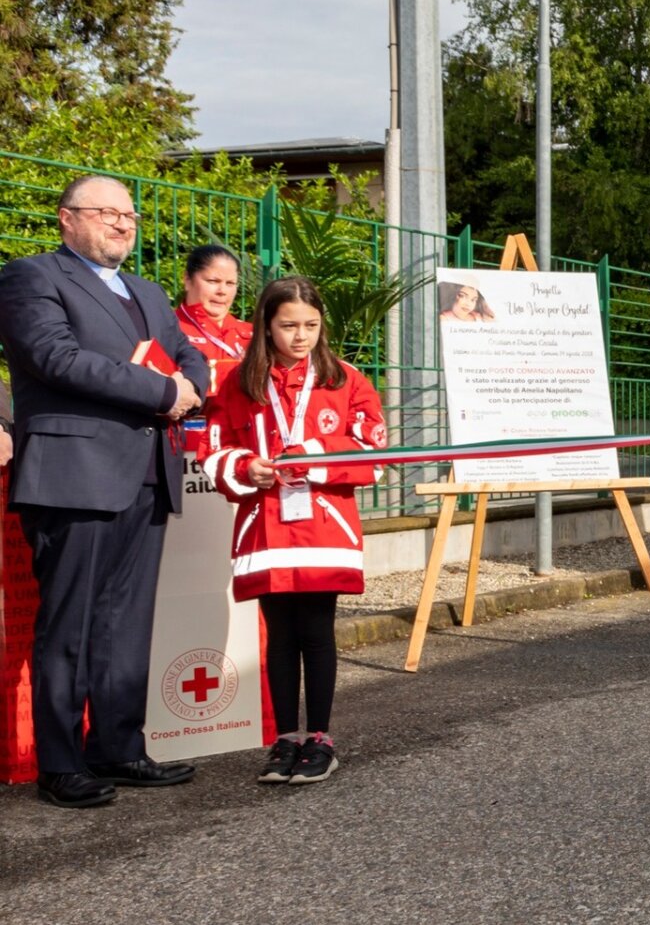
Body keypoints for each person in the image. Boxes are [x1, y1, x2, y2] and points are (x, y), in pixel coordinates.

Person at [0, 174, 208, 808]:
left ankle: (119, 747)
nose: (124, 223)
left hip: (149, 471)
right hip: (75, 474)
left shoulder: (147, 290)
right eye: (106, 212)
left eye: (130, 214)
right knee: (70, 623)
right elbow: (56, 358)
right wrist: (163, 392)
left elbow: (188, 356)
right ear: (67, 219)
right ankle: (60, 764)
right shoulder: (31, 277)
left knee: (127, 621)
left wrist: (189, 385)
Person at [200, 276, 387, 786]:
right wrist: (243, 467)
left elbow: (377, 456)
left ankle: (321, 739)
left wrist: (313, 456)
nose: (300, 336)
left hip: (325, 525)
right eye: (288, 326)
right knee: (280, 635)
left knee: (317, 631)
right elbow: (212, 453)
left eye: (310, 325)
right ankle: (285, 739)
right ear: (266, 325)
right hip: (266, 528)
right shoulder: (238, 385)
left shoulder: (347, 379)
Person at [175, 243, 252, 456]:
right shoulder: (167, 327)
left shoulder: (252, 334)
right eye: (212, 281)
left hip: (241, 447)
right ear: (187, 279)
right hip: (185, 444)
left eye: (230, 283)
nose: (222, 291)